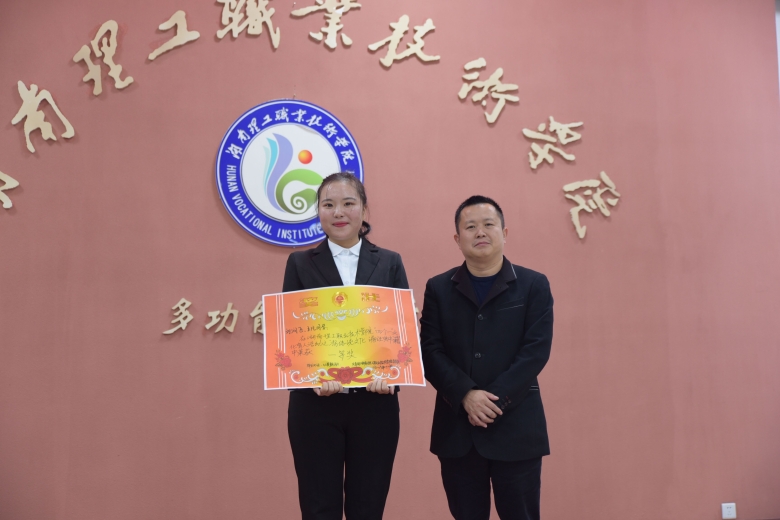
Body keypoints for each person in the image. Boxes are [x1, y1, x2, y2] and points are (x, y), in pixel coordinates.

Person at [282, 172, 409, 520]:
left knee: (368, 507)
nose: (338, 212)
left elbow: (399, 332)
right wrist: (311, 377)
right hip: (315, 405)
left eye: (348, 203)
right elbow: (293, 333)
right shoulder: (299, 263)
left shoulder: (390, 261)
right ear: (318, 212)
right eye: (328, 204)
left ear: (364, 210)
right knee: (318, 507)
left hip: (375, 404)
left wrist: (392, 375)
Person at [420, 195, 554, 520]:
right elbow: (430, 351)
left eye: (488, 224)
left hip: (517, 428)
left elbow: (535, 351)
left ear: (504, 233)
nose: (480, 232)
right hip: (457, 431)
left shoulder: (533, 285)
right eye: (470, 227)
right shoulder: (438, 288)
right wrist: (466, 395)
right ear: (457, 238)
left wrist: (493, 400)